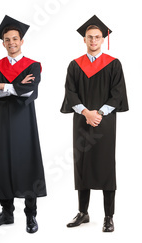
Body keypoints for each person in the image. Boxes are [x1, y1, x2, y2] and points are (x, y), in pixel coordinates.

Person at [60, 15, 127, 233]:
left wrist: (98, 113)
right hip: (81, 120)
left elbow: (117, 95)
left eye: (97, 37)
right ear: (84, 39)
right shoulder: (74, 65)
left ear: (103, 39)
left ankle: (109, 216)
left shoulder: (113, 64)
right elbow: (70, 92)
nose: (93, 40)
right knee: (82, 166)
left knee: (106, 166)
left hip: (104, 122)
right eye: (90, 37)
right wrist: (86, 112)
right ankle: (83, 212)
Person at [0, 15, 46, 234]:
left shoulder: (33, 66)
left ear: (22, 41)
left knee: (27, 164)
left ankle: (30, 216)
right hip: (1, 121)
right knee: (3, 164)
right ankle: (7, 213)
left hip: (24, 122)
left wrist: (4, 86)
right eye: (7, 40)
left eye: (15, 39)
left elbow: (29, 91)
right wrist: (14, 86)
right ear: (3, 43)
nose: (11, 43)